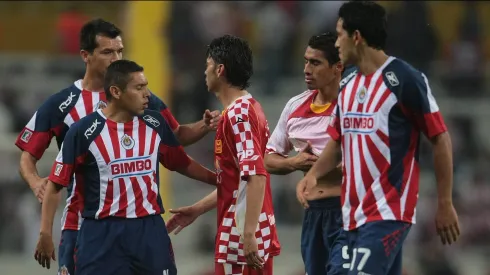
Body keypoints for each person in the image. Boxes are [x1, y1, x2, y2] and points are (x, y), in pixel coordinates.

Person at [16, 19, 220, 275]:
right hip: (83, 222)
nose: (116, 57)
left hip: (140, 223)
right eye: (107, 52)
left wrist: (204, 125)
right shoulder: (62, 104)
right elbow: (28, 155)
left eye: (120, 51)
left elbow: (175, 136)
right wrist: (36, 182)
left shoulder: (141, 99)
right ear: (85, 56)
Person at [299, 1, 460, 275]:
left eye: (340, 34)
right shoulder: (347, 84)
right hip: (349, 218)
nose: (336, 43)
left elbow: (440, 138)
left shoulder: (404, 79)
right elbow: (338, 141)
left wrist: (445, 203)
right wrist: (312, 175)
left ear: (357, 37)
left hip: (387, 214)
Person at [165, 35, 281, 275]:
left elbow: (256, 175)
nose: (204, 71)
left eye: (207, 65)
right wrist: (198, 208)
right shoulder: (247, 109)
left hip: (240, 239)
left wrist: (248, 234)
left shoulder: (239, 115)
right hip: (246, 232)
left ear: (220, 69)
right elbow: (238, 180)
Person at [264, 32, 345, 275]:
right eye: (306, 61)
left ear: (337, 67)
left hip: (347, 211)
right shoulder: (295, 106)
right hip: (313, 216)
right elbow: (269, 158)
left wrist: (321, 167)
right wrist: (295, 162)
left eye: (316, 62)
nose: (306, 69)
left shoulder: (351, 107)